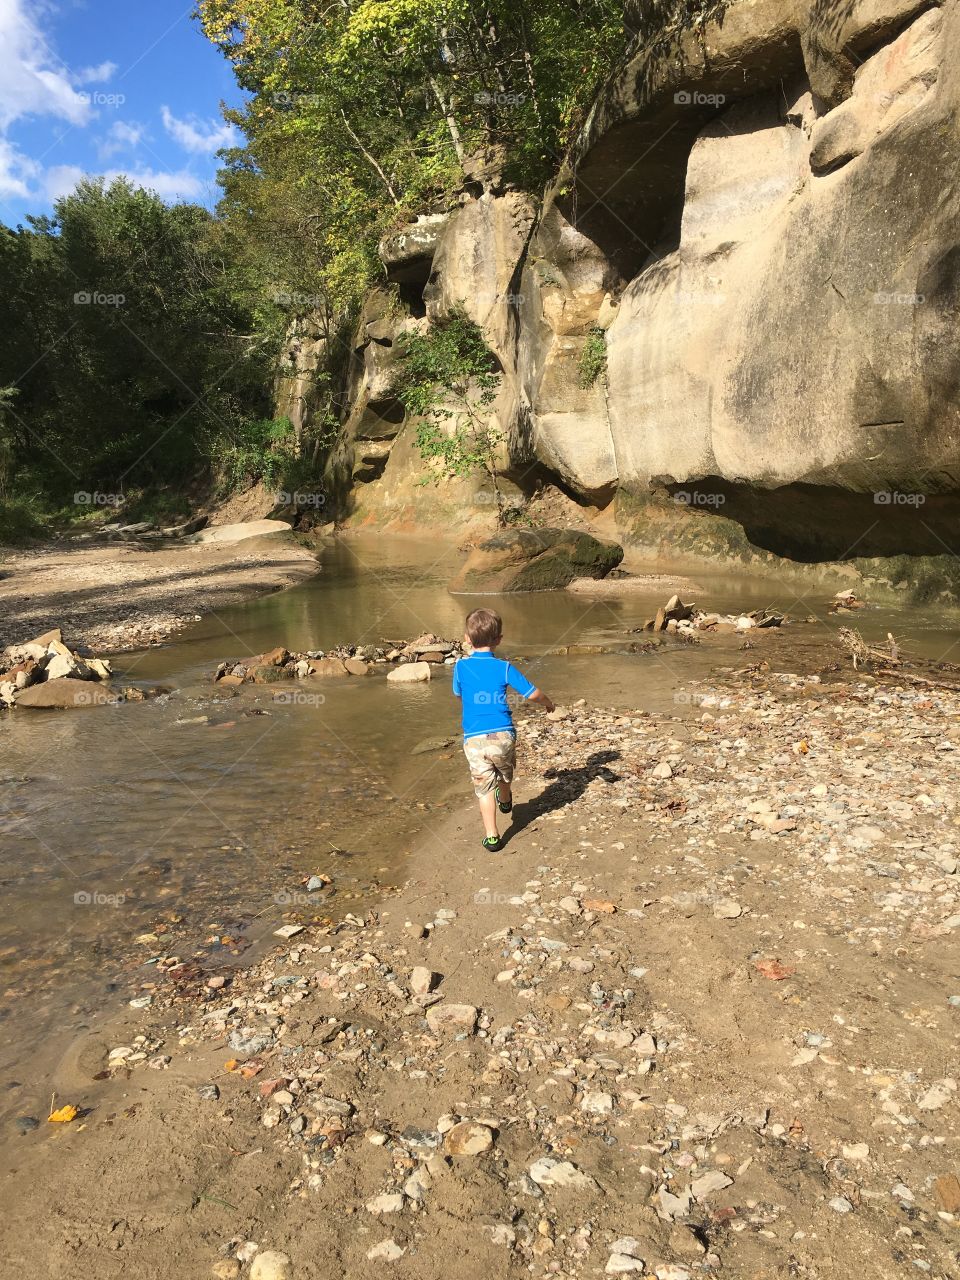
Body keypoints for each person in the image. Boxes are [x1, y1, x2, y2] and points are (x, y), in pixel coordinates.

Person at [452, 607, 555, 852]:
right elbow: (532, 693)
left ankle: (492, 836)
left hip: (474, 738)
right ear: (499, 640)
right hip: (503, 735)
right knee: (504, 771)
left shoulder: (460, 667)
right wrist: (549, 704)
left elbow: (458, 695)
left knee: (484, 786)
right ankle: (506, 798)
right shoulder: (505, 667)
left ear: (467, 639)